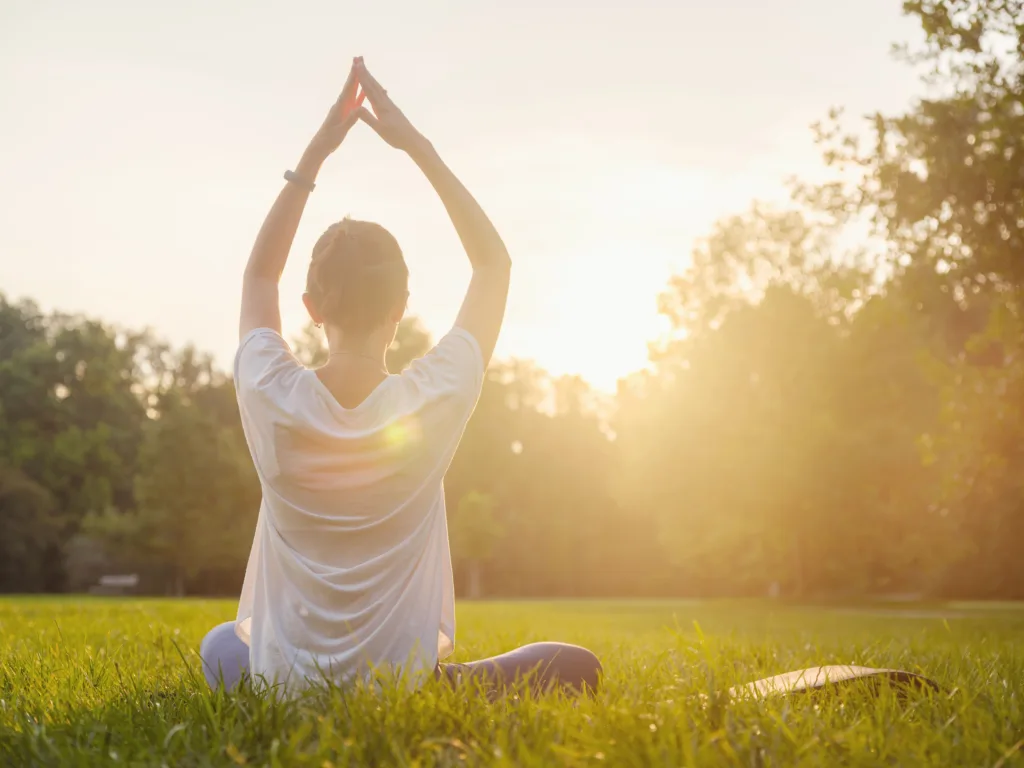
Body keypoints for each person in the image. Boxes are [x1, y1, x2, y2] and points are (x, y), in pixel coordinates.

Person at [199, 58, 601, 697]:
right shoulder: (431, 399)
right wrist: (416, 146)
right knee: (574, 665)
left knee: (221, 643)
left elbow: (258, 279)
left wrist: (318, 152)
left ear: (312, 308)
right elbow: (493, 265)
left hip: (283, 692)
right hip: (403, 692)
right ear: (401, 306)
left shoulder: (269, 392)